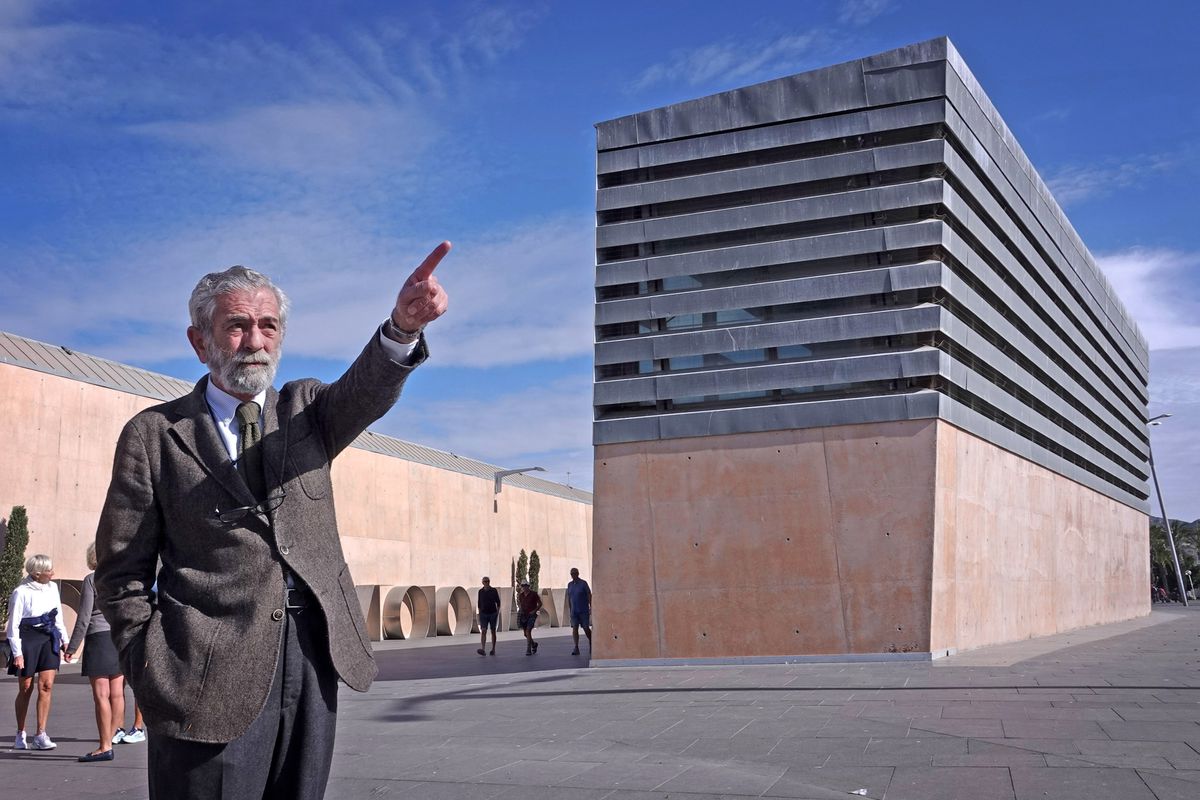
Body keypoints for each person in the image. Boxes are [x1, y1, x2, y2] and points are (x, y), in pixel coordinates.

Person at [95, 244, 450, 800]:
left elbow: (365, 392)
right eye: (236, 327)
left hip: (310, 660)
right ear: (199, 341)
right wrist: (150, 663)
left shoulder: (306, 411)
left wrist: (402, 328)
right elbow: (122, 569)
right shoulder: (155, 435)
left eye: (268, 325)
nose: (255, 342)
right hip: (202, 671)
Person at [65, 542, 126, 762]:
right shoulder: (121, 578)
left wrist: (72, 648)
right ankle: (110, 739)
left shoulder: (92, 580)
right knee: (117, 693)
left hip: (98, 638)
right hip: (119, 638)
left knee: (101, 695)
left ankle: (104, 746)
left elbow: (83, 618)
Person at [6, 554, 69, 751]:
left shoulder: (52, 589)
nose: (53, 573)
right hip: (27, 638)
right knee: (26, 687)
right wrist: (17, 652)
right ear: (37, 573)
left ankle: (41, 733)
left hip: (48, 636)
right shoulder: (21, 592)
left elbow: (57, 616)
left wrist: (65, 640)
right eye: (49, 570)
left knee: (46, 685)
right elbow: (13, 625)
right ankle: (20, 731)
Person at [565, 567, 592, 656]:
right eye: (572, 574)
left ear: (578, 573)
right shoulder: (570, 585)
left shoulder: (583, 583)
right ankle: (576, 647)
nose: (573, 575)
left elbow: (589, 594)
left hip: (583, 610)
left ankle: (591, 641)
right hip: (574, 611)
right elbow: (569, 597)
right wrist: (570, 609)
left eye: (575, 573)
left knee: (585, 627)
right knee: (575, 628)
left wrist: (591, 606)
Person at [516, 581, 543, 656]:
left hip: (532, 615)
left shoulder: (534, 594)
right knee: (525, 633)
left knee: (528, 631)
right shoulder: (521, 595)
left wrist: (534, 611)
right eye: (523, 586)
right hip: (524, 615)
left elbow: (540, 604)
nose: (524, 587)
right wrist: (520, 610)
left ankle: (528, 649)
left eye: (525, 586)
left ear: (528, 586)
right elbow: (520, 603)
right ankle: (534, 644)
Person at [476, 577, 501, 656]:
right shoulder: (480, 591)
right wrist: (480, 614)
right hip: (483, 614)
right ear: (482, 582)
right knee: (483, 630)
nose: (486, 583)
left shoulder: (494, 591)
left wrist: (497, 612)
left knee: (493, 631)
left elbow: (498, 602)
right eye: (485, 581)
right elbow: (479, 603)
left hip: (492, 613)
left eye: (488, 581)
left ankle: (493, 649)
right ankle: (483, 649)